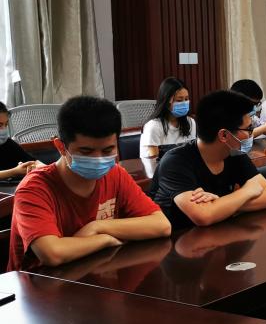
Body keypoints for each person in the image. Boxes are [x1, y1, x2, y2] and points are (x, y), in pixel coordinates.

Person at [7, 96, 171, 271]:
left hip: (94, 272)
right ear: (61, 147)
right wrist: (105, 239)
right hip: (40, 282)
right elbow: (52, 254)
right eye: (86, 151)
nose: (98, 159)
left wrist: (97, 227)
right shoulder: (34, 188)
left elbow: (162, 225)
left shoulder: (115, 174)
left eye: (108, 150)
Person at [148, 90, 266, 229]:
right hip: (177, 239)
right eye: (248, 129)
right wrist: (247, 191)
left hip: (219, 234)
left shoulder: (236, 155)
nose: (251, 134)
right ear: (224, 135)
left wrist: (219, 203)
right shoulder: (175, 162)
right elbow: (203, 216)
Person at [140, 77, 197, 159]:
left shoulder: (190, 122)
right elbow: (154, 162)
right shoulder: (153, 126)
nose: (184, 103)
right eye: (179, 100)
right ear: (166, 101)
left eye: (186, 99)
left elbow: (192, 154)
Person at [0, 101, 41, 180]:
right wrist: (15, 172)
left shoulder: (8, 143)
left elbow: (33, 161)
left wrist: (38, 166)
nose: (4, 129)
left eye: (6, 124)